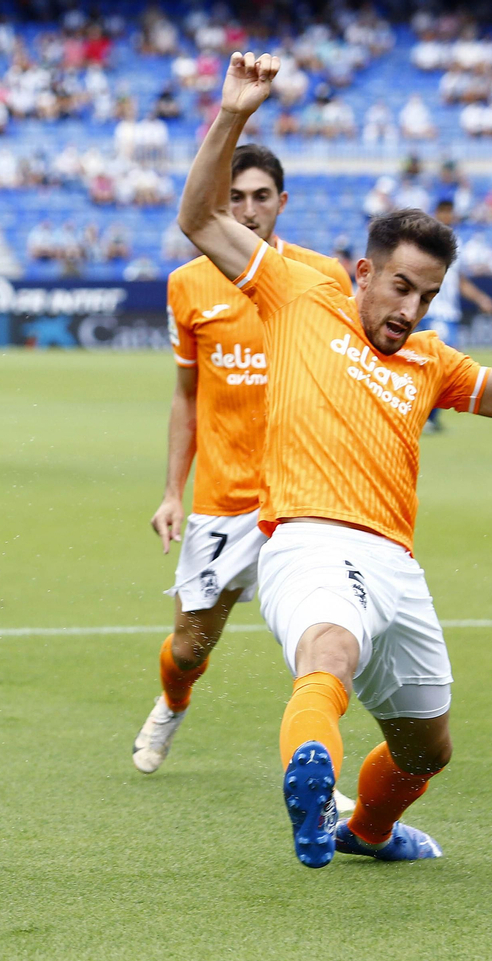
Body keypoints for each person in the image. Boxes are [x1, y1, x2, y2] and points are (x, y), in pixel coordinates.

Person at [176, 52, 492, 869]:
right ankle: (312, 788)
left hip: (395, 563)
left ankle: (370, 831)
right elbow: (198, 219)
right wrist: (234, 116)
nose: (409, 308)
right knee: (329, 653)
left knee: (428, 748)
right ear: (363, 272)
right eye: (398, 287)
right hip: (308, 540)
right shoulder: (297, 292)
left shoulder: (431, 361)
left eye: (426, 296)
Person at [136, 143, 353, 777]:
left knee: (327, 640)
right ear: (217, 202)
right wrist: (173, 492)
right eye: (235, 197)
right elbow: (187, 395)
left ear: (282, 203)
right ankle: (172, 703)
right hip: (223, 505)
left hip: (302, 502)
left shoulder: (323, 278)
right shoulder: (188, 285)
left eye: (261, 196)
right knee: (188, 645)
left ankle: (320, 768)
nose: (249, 209)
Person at [419, 197, 492, 433]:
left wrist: (481, 298)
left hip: (449, 313)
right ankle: (424, 417)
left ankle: (429, 418)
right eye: (443, 211)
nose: (447, 216)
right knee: (440, 363)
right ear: (436, 213)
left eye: (450, 212)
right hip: (434, 311)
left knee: (443, 364)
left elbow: (459, 281)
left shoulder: (454, 244)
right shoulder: (428, 242)